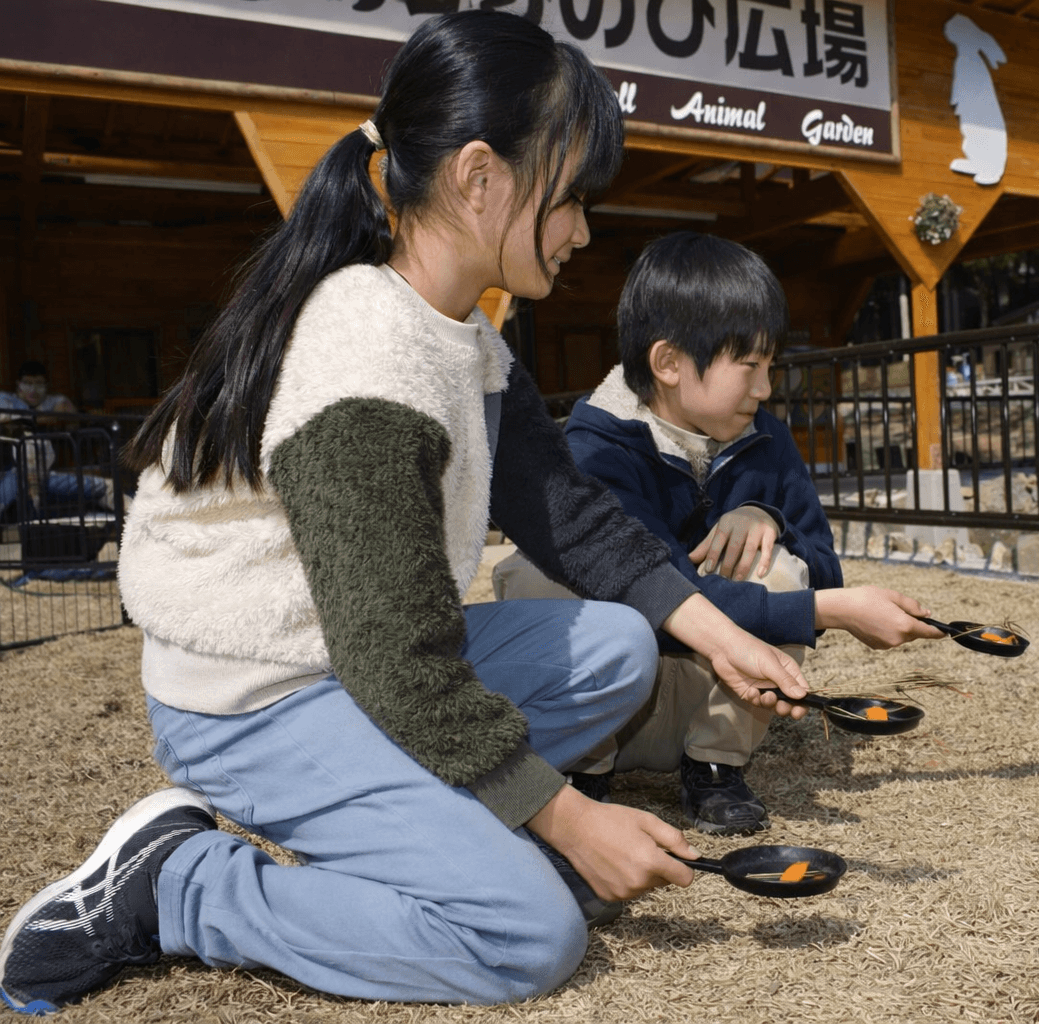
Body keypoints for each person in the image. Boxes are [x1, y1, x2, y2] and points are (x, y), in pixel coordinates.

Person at [0, 12, 810, 1015]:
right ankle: (175, 886)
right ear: (481, 178)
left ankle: (446, 829)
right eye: (570, 199)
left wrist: (717, 632)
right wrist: (563, 817)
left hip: (347, 660)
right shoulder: (365, 362)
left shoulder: (464, 335)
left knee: (619, 650)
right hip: (261, 697)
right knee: (526, 934)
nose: (582, 231)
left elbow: (563, 510)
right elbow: (397, 662)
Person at [497, 232, 943, 834]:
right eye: (749, 366)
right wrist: (827, 610)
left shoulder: (767, 438)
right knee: (539, 574)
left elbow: (823, 562)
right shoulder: (596, 448)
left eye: (770, 365)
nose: (765, 388)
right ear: (669, 363)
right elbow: (653, 585)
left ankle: (714, 768)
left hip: (707, 699)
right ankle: (583, 770)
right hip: (610, 708)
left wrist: (768, 517)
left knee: (778, 564)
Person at [0, 360, 114, 519]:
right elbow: (4, 422)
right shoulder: (6, 400)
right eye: (28, 383)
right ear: (18, 384)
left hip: (49, 473)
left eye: (39, 383)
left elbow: (67, 415)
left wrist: (24, 421)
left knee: (105, 489)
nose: (33, 389)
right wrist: (38, 420)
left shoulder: (54, 400)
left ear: (47, 385)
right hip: (11, 470)